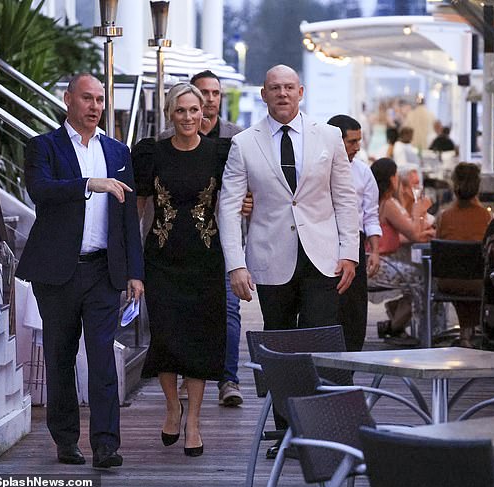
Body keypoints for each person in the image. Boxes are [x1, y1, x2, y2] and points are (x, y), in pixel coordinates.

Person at [218, 64, 359, 458]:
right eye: (274, 88)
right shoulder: (245, 143)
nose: (282, 94)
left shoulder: (329, 136)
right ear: (263, 94)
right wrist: (235, 264)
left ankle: (326, 430)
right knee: (279, 344)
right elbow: (228, 208)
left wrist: (350, 252)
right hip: (269, 257)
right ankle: (287, 434)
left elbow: (346, 198)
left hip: (322, 258)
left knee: (321, 342)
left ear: (302, 92)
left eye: (288, 88)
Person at [16, 73, 144, 469]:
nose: (95, 107)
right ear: (68, 99)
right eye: (87, 98)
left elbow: (128, 219)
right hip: (57, 272)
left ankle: (106, 445)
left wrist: (135, 272)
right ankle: (66, 440)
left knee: (103, 358)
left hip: (104, 271)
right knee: (59, 357)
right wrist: (90, 183)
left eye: (101, 100)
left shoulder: (119, 151)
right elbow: (41, 190)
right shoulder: (44, 146)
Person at [133, 83, 230, 457]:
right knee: (167, 337)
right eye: (181, 111)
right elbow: (138, 208)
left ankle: (194, 422)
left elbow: (235, 197)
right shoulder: (151, 153)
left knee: (199, 341)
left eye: (195, 111)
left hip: (205, 259)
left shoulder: (219, 153)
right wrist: (132, 264)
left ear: (203, 114)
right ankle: (173, 407)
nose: (189, 117)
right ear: (170, 114)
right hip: (161, 259)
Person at [160, 70, 244, 407]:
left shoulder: (235, 139)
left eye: (215, 94)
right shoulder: (164, 142)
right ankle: (186, 376)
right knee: (182, 315)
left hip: (223, 243)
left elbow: (247, 185)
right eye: (203, 93)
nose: (209, 100)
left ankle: (228, 378)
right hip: (177, 244)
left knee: (229, 311)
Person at [327, 114, 382, 351]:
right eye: (352, 142)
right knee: (326, 307)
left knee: (354, 310)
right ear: (336, 141)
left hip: (355, 242)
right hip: (323, 240)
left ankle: (350, 363)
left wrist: (375, 251)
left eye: (359, 141)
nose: (357, 148)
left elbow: (371, 214)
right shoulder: (317, 167)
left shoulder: (363, 172)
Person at [369, 158, 434, 345]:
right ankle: (399, 328)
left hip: (375, 262)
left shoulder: (378, 200)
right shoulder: (388, 204)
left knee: (418, 276)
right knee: (423, 278)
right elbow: (414, 234)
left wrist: (419, 214)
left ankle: (396, 323)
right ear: (391, 179)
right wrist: (418, 209)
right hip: (381, 263)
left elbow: (415, 234)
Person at [436, 162, 491, 348]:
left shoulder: (444, 216)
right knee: (476, 276)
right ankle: (469, 332)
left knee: (460, 275)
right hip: (476, 284)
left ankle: (465, 333)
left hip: (447, 283)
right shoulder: (485, 217)